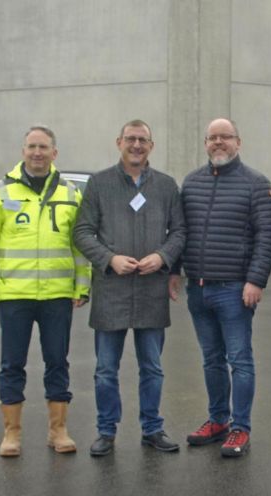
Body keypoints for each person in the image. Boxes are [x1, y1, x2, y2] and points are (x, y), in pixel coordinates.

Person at [0, 125, 90, 457]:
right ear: (23, 151)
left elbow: (80, 246)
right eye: (31, 147)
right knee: (12, 364)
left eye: (44, 147)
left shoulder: (70, 194)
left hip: (57, 295)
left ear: (55, 153)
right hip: (14, 296)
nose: (37, 153)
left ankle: (58, 430)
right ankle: (12, 433)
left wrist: (83, 285)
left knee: (57, 362)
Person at [73, 119, 186, 457]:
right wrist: (109, 259)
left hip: (151, 290)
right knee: (106, 370)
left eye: (143, 140)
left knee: (152, 367)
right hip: (112, 290)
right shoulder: (99, 184)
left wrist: (162, 257)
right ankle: (106, 431)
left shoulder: (166, 186)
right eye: (131, 139)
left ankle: (152, 428)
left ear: (151, 146)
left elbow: (180, 232)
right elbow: (82, 232)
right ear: (119, 142)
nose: (136, 145)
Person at [170, 118, 271, 458]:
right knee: (211, 360)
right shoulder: (192, 183)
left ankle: (240, 428)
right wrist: (175, 270)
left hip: (235, 290)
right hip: (198, 289)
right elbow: (179, 231)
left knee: (240, 360)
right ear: (205, 143)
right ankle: (218, 419)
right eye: (213, 138)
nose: (219, 143)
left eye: (225, 137)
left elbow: (268, 235)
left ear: (238, 142)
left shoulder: (256, 184)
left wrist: (255, 280)